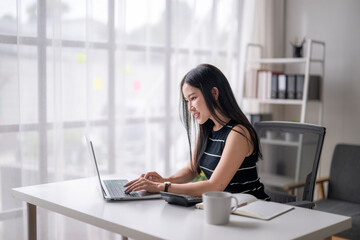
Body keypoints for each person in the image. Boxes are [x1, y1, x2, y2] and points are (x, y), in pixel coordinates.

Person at [125, 63, 270, 200]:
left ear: (214, 93)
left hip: (251, 211)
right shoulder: (207, 128)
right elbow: (192, 169)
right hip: (224, 208)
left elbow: (214, 186)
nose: (189, 108)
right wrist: (165, 180)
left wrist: (161, 187)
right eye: (187, 101)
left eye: (193, 98)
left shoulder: (238, 133)